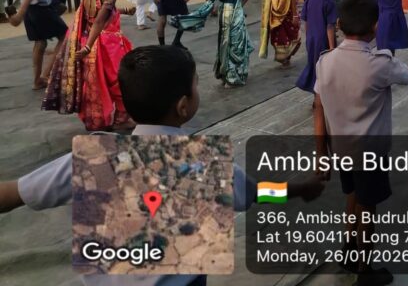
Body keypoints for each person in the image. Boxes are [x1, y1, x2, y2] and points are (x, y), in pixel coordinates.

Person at [0, 46, 325, 286]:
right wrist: (302, 188)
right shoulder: (207, 162)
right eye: (196, 85)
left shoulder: (91, 157)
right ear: (183, 106)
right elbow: (258, 193)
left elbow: (14, 193)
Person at [314, 0, 408, 283]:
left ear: (339, 24)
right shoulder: (379, 63)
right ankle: (364, 268)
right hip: (370, 153)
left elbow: (318, 107)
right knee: (367, 207)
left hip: (341, 149)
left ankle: (349, 248)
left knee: (352, 195)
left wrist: (321, 154)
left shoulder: (325, 62)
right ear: (375, 27)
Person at [43, 0, 135, 131]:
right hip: (108, 45)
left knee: (97, 83)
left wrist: (124, 11)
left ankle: (97, 119)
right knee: (120, 81)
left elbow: (97, 15)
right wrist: (87, 47)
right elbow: (99, 22)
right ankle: (121, 119)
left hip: (92, 44)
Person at [174, 0, 271, 88]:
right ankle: (233, 76)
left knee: (225, 41)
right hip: (235, 13)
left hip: (223, 11)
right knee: (236, 44)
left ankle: (225, 73)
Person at [297, 0, 338, 140]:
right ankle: (322, 100)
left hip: (312, 39)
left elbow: (305, 22)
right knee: (325, 70)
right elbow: (330, 26)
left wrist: (308, 39)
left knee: (314, 65)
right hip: (323, 40)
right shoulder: (328, 1)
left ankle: (316, 97)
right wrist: (332, 47)